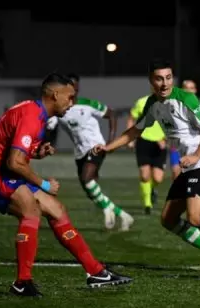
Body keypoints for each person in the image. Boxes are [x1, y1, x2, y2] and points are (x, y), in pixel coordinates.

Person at [92, 59, 200, 270]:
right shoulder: (151, 104)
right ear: (151, 80)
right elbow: (135, 131)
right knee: (168, 218)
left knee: (195, 216)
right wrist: (108, 148)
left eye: (168, 78)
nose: (165, 83)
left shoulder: (186, 98)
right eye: (159, 79)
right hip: (188, 165)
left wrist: (195, 156)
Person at [0, 73, 131, 297]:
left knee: (57, 210)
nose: (72, 102)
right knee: (31, 210)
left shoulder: (36, 113)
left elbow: (16, 151)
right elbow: (15, 162)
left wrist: (37, 151)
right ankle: (22, 282)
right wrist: (44, 184)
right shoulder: (31, 115)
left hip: (5, 170)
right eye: (70, 97)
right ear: (55, 95)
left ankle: (96, 272)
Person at [46, 73, 134, 231]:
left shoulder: (89, 104)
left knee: (87, 178)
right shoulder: (60, 108)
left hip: (96, 147)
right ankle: (123, 215)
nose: (72, 88)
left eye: (74, 85)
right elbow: (49, 126)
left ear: (78, 88)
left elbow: (111, 114)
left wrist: (111, 141)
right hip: (79, 152)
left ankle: (108, 210)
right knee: (89, 189)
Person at [127, 94, 167, 214]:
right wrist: (130, 138)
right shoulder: (141, 101)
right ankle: (147, 204)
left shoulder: (168, 104)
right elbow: (131, 118)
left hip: (160, 143)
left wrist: (165, 138)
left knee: (158, 178)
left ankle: (152, 189)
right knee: (145, 176)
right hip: (143, 141)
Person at [169, 79, 198, 180]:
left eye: (192, 88)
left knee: (194, 178)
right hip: (177, 147)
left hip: (196, 148)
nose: (189, 91)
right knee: (177, 173)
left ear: (195, 90)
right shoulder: (174, 107)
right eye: (186, 88)